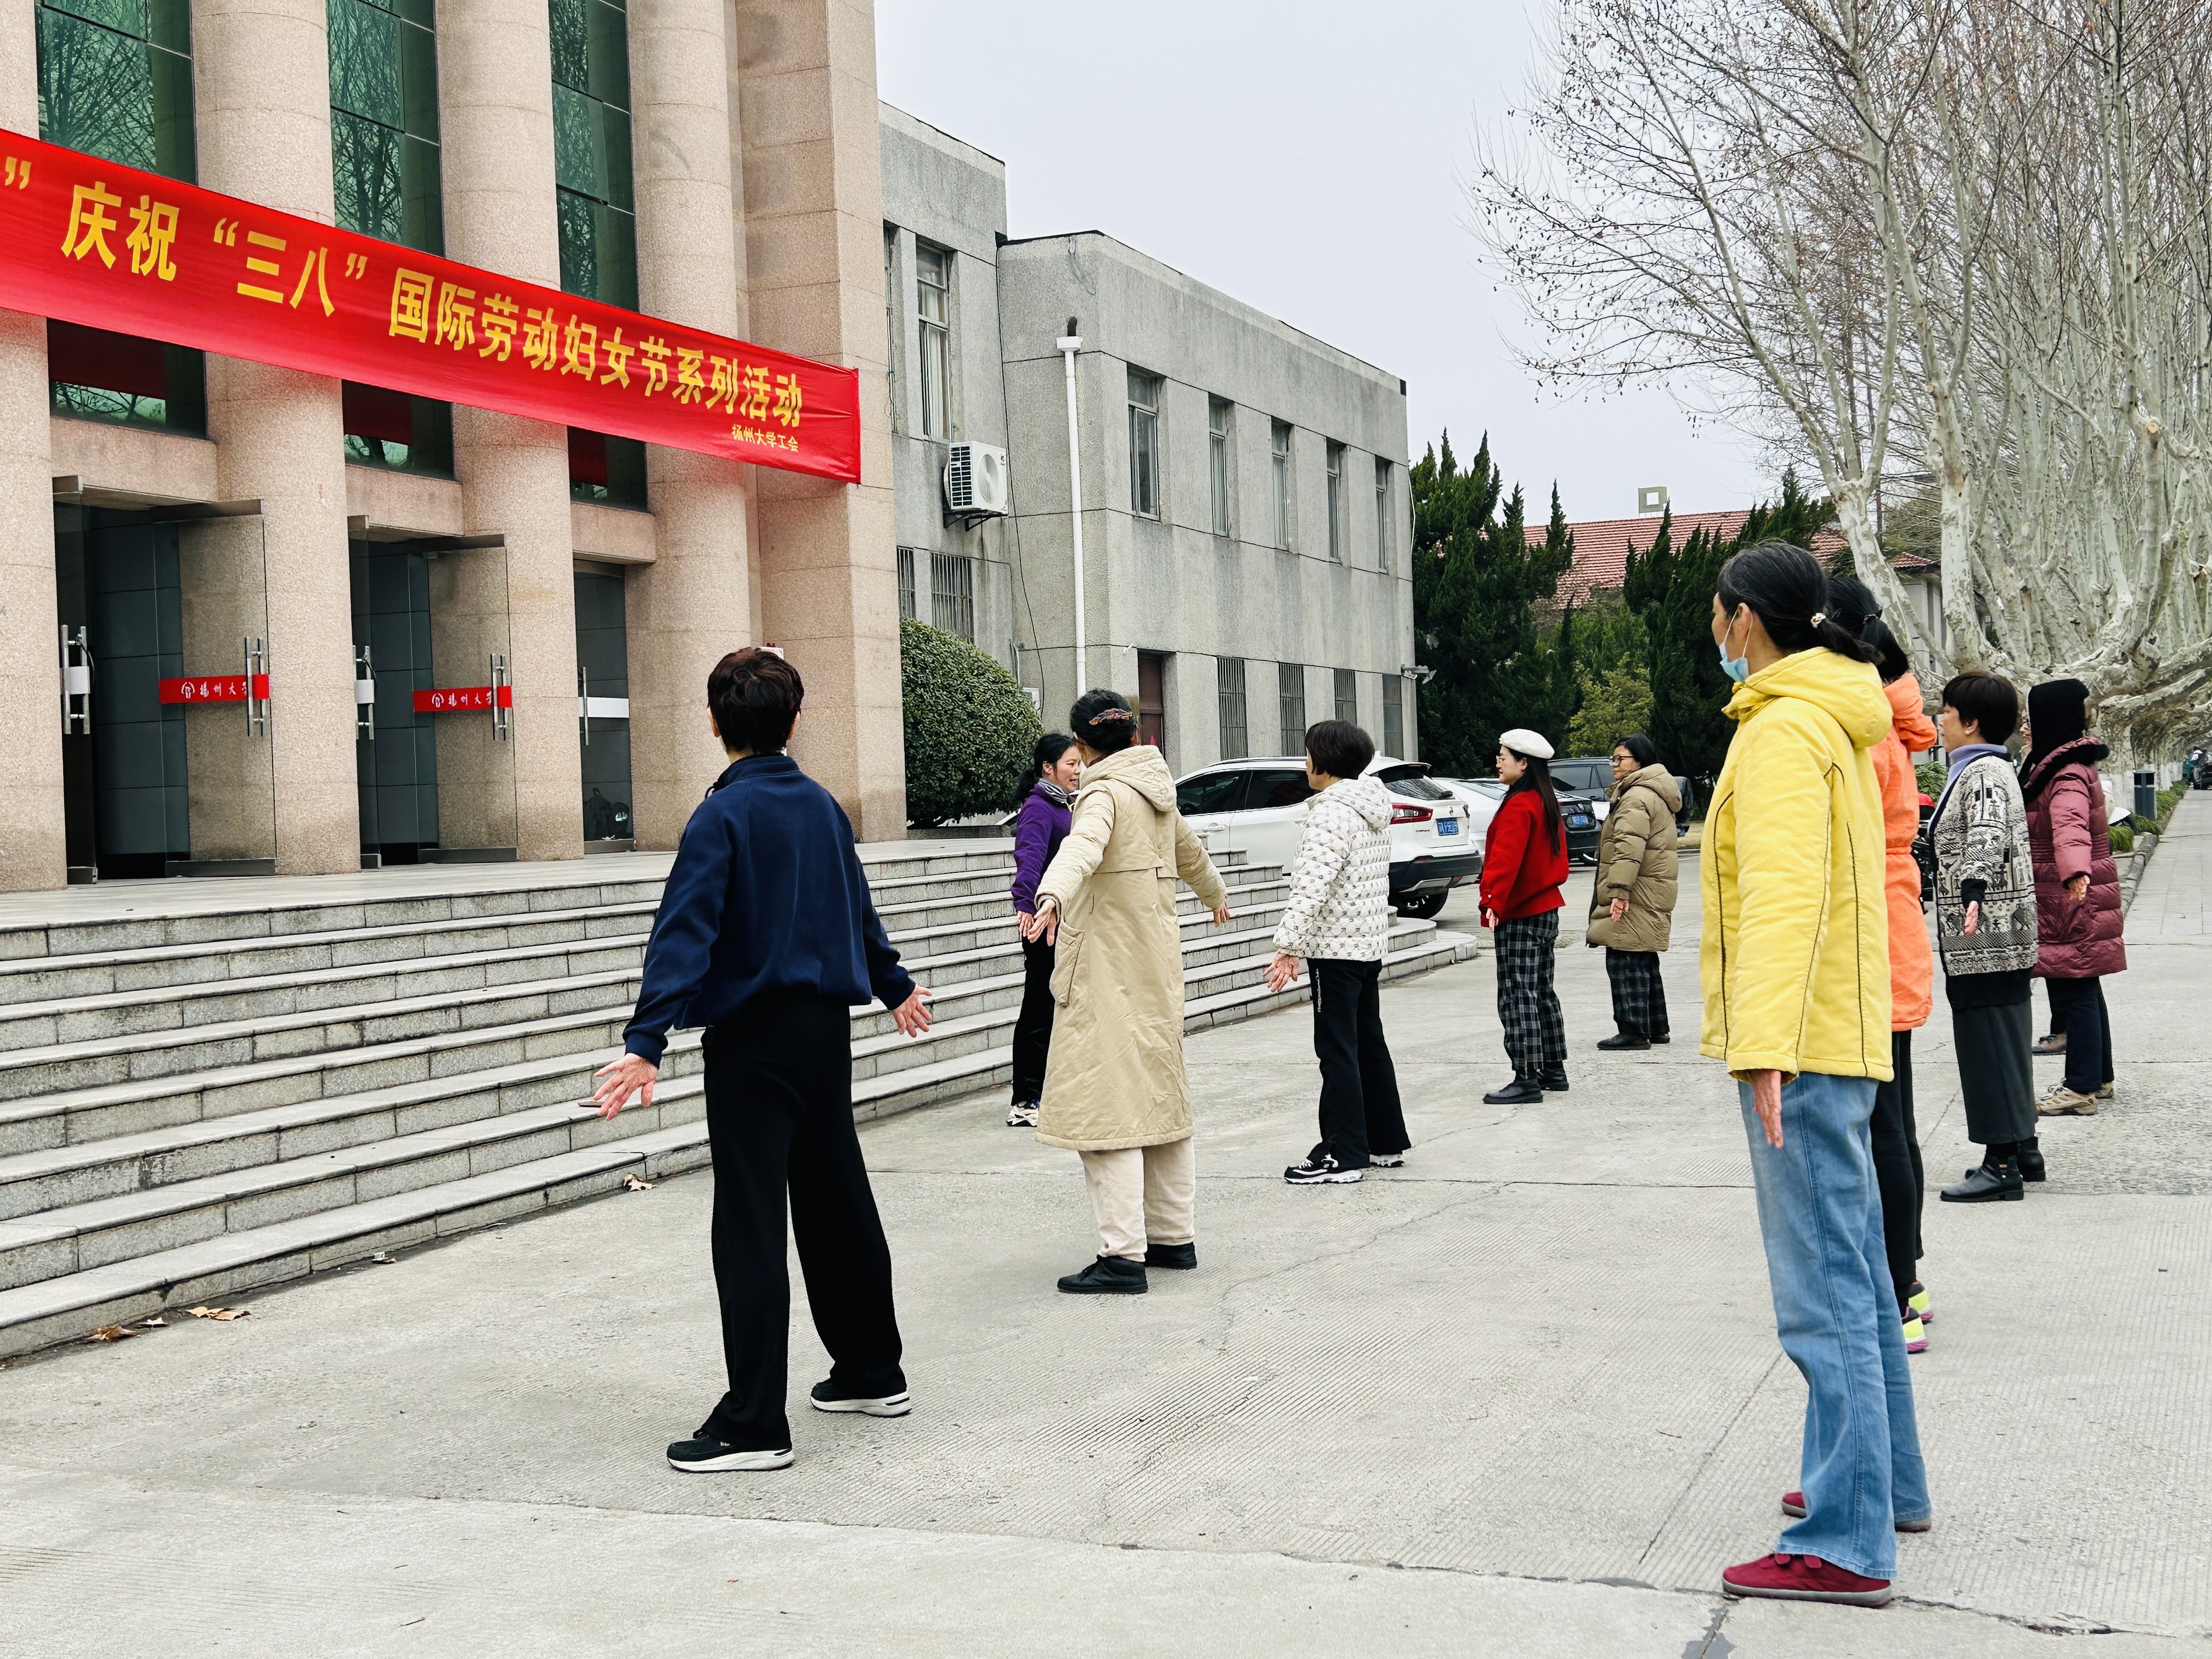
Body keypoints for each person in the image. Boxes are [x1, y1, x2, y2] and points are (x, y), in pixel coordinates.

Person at [591, 647, 935, 1474]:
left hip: (752, 1041)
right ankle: (870, 1371)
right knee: (836, 1200)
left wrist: (646, 1042)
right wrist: (893, 985)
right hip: (823, 1032)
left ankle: (754, 1424)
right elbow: (855, 906)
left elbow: (685, 929)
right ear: (795, 721)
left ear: (715, 724)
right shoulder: (820, 805)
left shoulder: (723, 815)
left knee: (750, 1222)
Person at [1700, 541, 1928, 1609]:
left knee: (1823, 1292)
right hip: (1835, 1031)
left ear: (1744, 619)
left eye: (1716, 614)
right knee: (1861, 1276)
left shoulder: (1784, 728)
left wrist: (1763, 1045)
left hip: (1801, 1043)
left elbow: (1785, 899)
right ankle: (1886, 1485)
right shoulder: (1826, 715)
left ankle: (1844, 1537)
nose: (1712, 631)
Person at [1022, 689, 1232, 1294]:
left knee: (1106, 1107)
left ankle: (1121, 1257)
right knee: (1159, 1101)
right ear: (1133, 736)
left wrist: (1050, 894)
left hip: (1105, 971)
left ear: (1082, 745)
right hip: (1155, 969)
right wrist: (1215, 895)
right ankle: (1172, 1237)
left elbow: (1082, 847)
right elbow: (1192, 854)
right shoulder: (1156, 791)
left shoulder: (1105, 793)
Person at [1825, 575, 1938, 1350]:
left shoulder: (1863, 729)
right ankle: (1911, 1277)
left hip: (1873, 926)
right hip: (1890, 922)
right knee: (1894, 1122)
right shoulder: (1889, 719)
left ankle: (1895, 1295)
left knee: (1882, 1127)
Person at [1263, 719, 1409, 1185]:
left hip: (1336, 949)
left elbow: (1311, 887)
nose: (1305, 762)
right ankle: (1384, 1142)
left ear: (1324, 762)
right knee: (1368, 1043)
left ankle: (1342, 1155)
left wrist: (1288, 946)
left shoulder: (1331, 813)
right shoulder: (1371, 806)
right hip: (1366, 945)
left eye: (1308, 753)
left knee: (1337, 1051)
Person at [1929, 672, 2042, 1203]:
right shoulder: (1987, 767)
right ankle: (2023, 1147)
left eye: (1947, 712)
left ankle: (2000, 1165)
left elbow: (1988, 833)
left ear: (1971, 722)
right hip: (1997, 933)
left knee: (1988, 1048)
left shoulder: (1983, 773)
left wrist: (1972, 885)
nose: (1940, 720)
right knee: (2006, 1042)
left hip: (1985, 937)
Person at [2019, 679, 2125, 1115]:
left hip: (2068, 894)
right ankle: (2099, 1077)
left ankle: (2080, 1088)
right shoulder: (2063, 764)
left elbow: (2070, 826)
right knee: (2085, 987)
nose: (2024, 728)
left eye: (2031, 720)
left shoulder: (2064, 773)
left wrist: (2075, 871)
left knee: (2074, 990)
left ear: (2051, 720)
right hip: (2069, 891)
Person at [1477, 727, 1572, 1105]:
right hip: (1547, 909)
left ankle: (1526, 1076)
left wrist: (1492, 902)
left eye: (1504, 757)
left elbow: (1505, 860)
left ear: (1524, 763)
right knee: (1541, 992)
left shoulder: (1519, 805)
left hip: (1521, 912)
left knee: (1517, 995)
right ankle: (1553, 1069)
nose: (1498, 762)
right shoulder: (1544, 801)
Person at [1584, 732, 1679, 1050]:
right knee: (1643, 954)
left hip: (1636, 889)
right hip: (1651, 886)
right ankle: (1656, 1027)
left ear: (1640, 761)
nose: (1614, 764)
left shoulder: (1636, 797)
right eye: (1613, 758)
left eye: (1620, 758)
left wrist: (1620, 890)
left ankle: (1634, 1031)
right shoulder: (1652, 792)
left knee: (1623, 955)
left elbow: (1628, 847)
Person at [1007, 733, 1081, 1128]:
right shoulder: (1039, 807)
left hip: (1066, 919)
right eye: (1070, 764)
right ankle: (1025, 1100)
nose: (1077, 770)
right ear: (1048, 768)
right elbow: (1030, 856)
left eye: (1078, 762)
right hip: (1042, 921)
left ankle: (1050, 1090)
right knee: (1038, 1008)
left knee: (1059, 1006)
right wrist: (1026, 904)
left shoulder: (1065, 804)